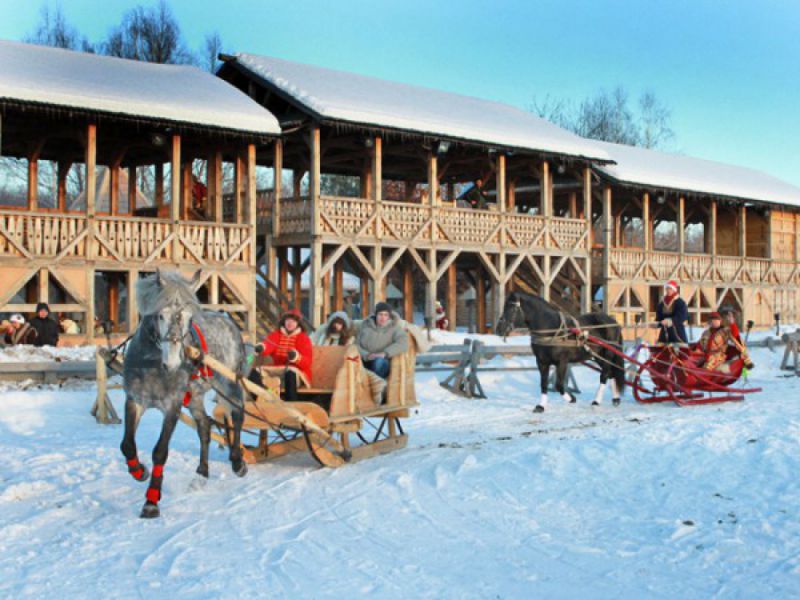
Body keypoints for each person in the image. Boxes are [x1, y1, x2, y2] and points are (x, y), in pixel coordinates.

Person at [255, 309, 312, 401]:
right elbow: (269, 345)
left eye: (293, 321)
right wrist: (262, 348)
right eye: (288, 320)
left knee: (290, 373)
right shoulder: (276, 335)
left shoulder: (304, 338)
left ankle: (291, 403)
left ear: (298, 324)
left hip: (296, 371)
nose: (290, 323)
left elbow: (307, 362)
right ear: (284, 322)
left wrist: (296, 357)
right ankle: (261, 397)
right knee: (255, 372)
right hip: (277, 368)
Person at [356, 302, 409, 379]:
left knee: (379, 362)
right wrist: (367, 355)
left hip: (382, 361)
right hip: (364, 359)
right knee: (350, 361)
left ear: (389, 316)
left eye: (385, 315)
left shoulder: (395, 328)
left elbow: (403, 343)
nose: (383, 318)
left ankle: (376, 387)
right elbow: (356, 344)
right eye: (380, 314)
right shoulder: (365, 326)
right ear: (376, 315)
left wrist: (385, 353)